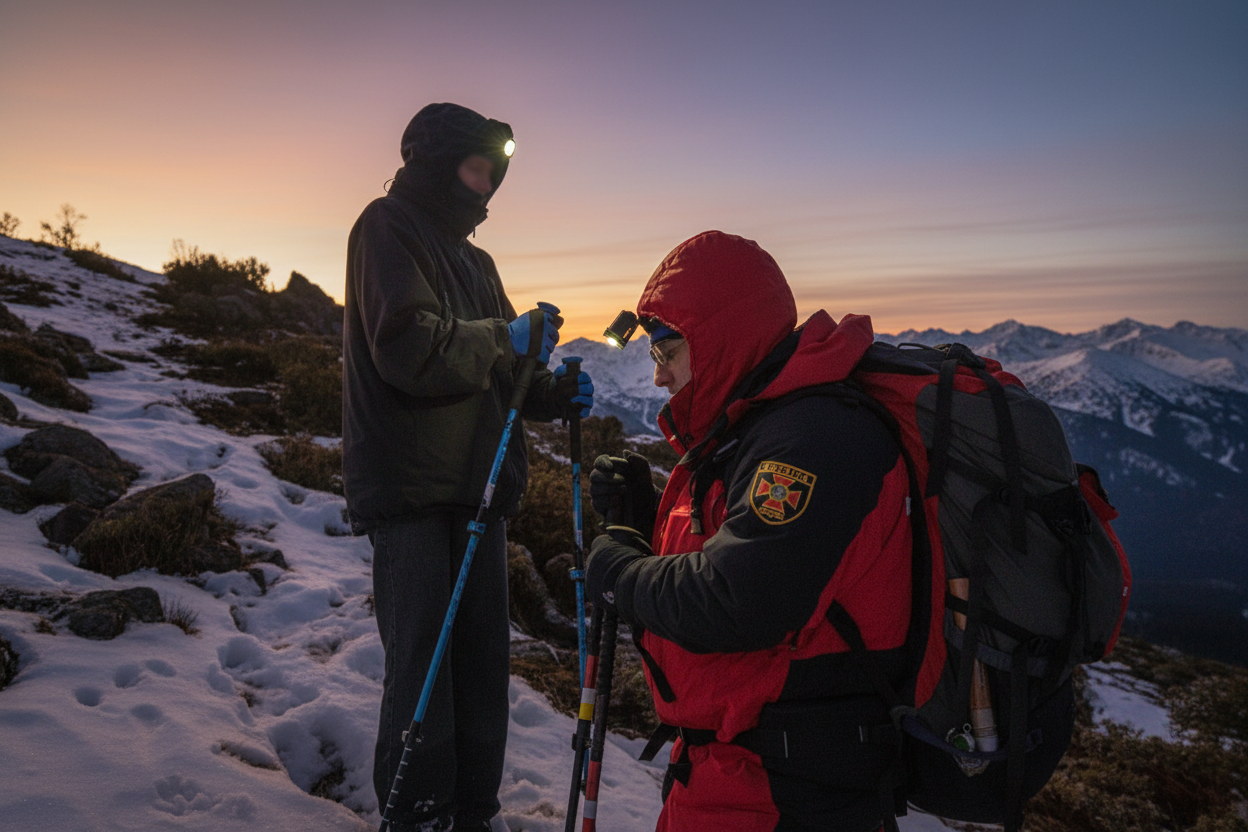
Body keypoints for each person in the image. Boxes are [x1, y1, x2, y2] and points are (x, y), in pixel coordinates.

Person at [585, 230, 912, 832]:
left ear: (719, 339)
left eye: (667, 353)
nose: (658, 378)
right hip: (733, 772)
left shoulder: (814, 439)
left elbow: (739, 599)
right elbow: (750, 551)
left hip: (787, 792)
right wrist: (642, 516)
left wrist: (620, 573)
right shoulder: (760, 425)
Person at [342, 102, 593, 832]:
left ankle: (472, 815)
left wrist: (548, 389)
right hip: (414, 490)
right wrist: (504, 335)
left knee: (482, 668)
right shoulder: (385, 227)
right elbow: (409, 347)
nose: (485, 188)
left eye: (493, 175)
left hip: (480, 492)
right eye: (476, 168)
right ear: (438, 161)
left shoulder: (477, 262)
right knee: (424, 668)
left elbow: (495, 369)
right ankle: (418, 814)